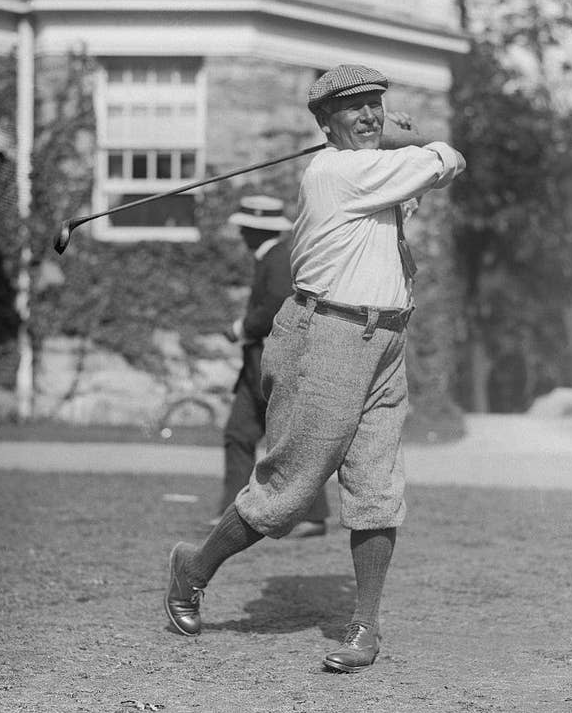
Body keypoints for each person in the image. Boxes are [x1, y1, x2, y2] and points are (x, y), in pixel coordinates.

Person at [165, 63, 466, 673]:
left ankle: (365, 629)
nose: (369, 116)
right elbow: (447, 160)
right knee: (289, 492)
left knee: (377, 489)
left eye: (376, 105)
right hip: (324, 335)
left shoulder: (372, 172)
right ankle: (193, 566)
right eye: (353, 108)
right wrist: (414, 140)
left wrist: (396, 141)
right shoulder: (338, 171)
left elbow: (417, 178)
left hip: (385, 339)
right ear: (325, 123)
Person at [215, 194, 330, 537]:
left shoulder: (279, 260)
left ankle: (312, 515)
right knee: (239, 433)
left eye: (244, 228)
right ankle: (231, 512)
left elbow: (277, 308)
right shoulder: (270, 257)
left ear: (253, 230)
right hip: (255, 366)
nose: (240, 235)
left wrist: (241, 328)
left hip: (274, 362)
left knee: (287, 438)